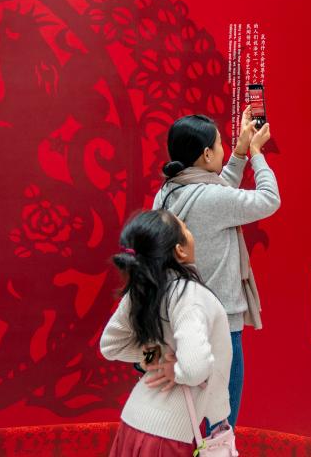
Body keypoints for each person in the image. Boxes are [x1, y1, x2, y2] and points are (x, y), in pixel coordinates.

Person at [153, 108, 280, 429]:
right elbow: (269, 199)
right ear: (207, 154)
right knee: (219, 425)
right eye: (221, 144)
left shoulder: (167, 193)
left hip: (179, 318)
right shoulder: (212, 198)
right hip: (220, 322)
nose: (224, 149)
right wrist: (256, 155)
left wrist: (238, 153)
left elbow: (215, 192)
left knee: (188, 420)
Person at [101, 210, 232, 455]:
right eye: (185, 228)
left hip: (134, 421)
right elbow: (195, 369)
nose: (190, 232)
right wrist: (175, 369)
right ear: (180, 250)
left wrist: (156, 357)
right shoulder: (189, 295)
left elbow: (111, 345)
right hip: (167, 436)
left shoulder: (143, 291)